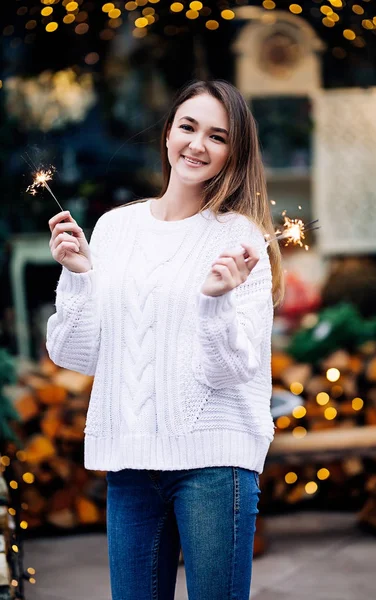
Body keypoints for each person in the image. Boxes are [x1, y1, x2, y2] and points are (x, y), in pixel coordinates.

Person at [47, 79, 284, 600]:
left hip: (215, 466)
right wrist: (80, 275)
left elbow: (232, 372)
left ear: (234, 153)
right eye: (188, 127)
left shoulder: (240, 238)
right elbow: (74, 354)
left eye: (217, 136)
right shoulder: (115, 228)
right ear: (169, 133)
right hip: (131, 463)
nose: (197, 144)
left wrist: (216, 300)